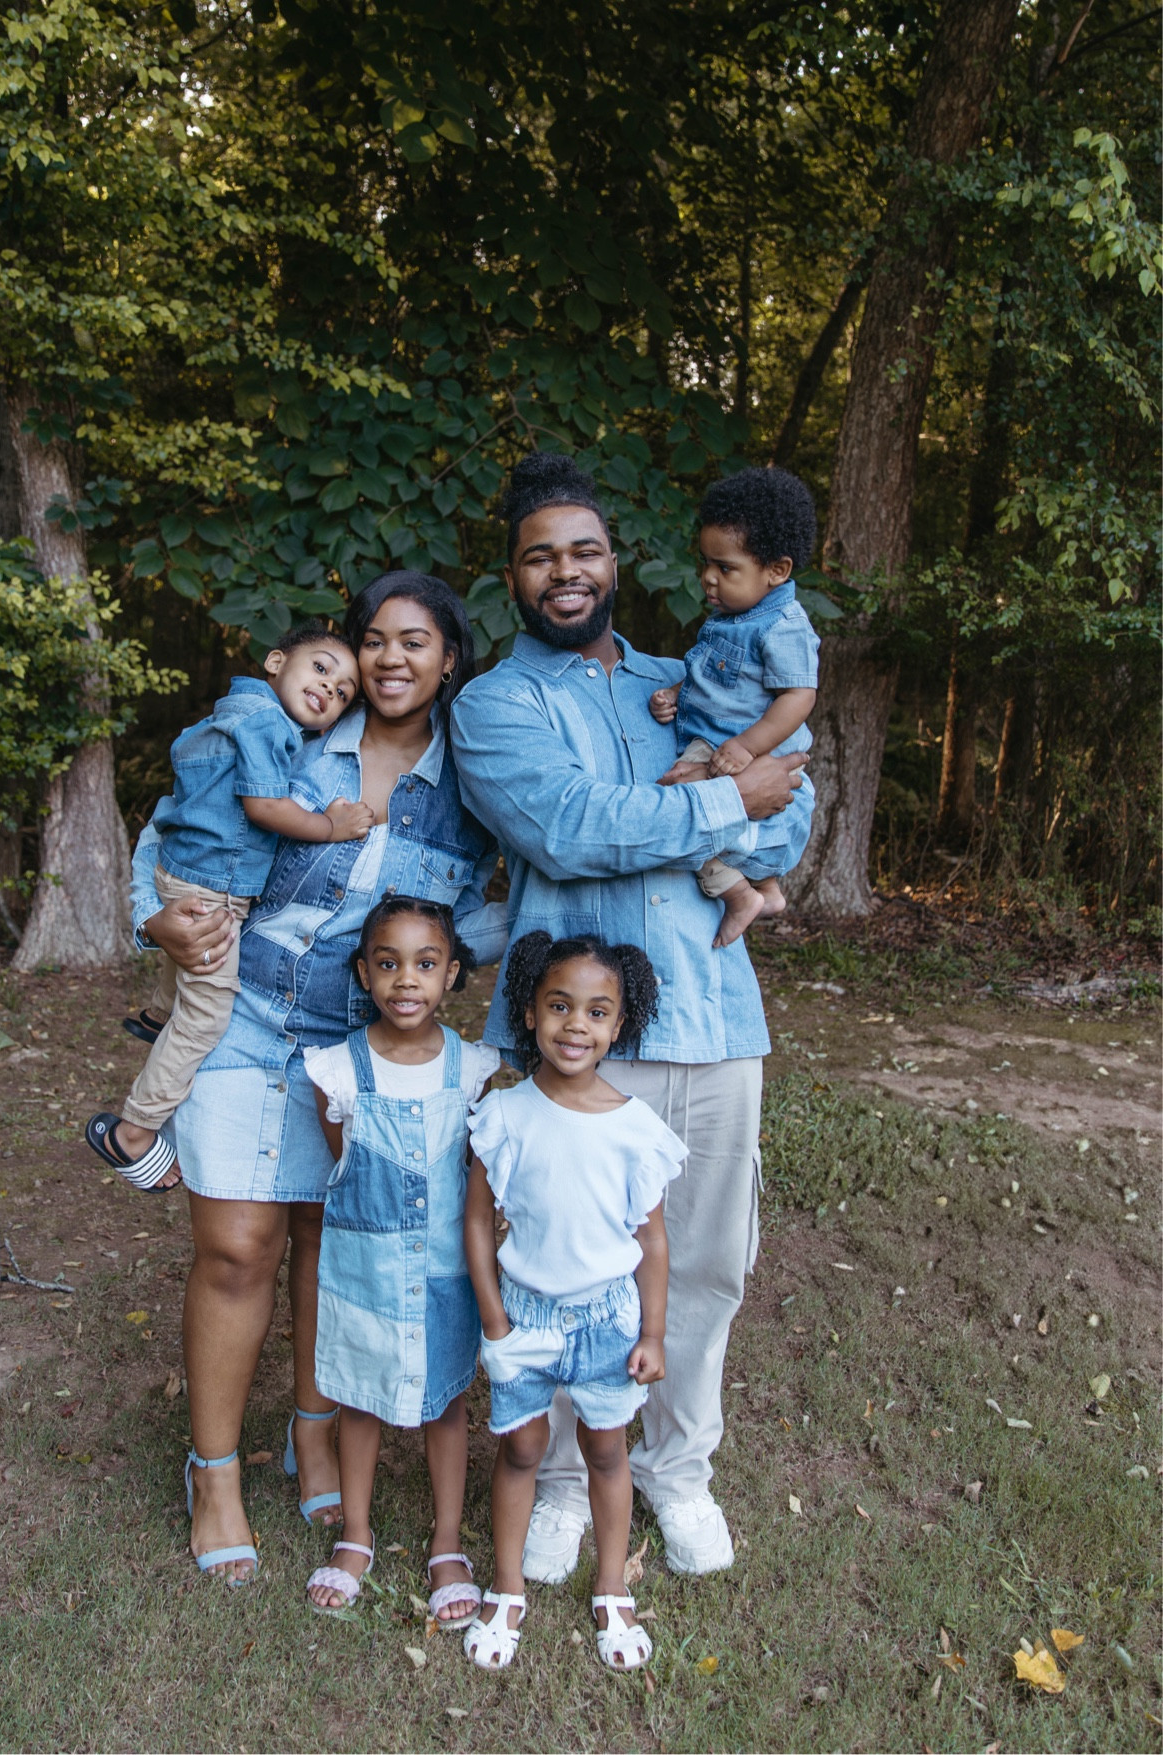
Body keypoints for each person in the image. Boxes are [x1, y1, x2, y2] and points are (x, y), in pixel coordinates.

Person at [449, 451, 807, 1582]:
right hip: (576, 1041)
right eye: (540, 555)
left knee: (706, 1263)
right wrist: (724, 801)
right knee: (562, 1270)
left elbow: (792, 803)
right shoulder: (494, 706)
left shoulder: (685, 680)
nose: (566, 570)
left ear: (614, 562)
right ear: (511, 575)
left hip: (713, 1016)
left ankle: (677, 1469)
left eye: (586, 549)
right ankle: (562, 1480)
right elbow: (568, 830)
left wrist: (745, 815)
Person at [128, 572, 506, 1583]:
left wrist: (472, 962)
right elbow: (171, 826)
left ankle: (313, 1430)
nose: (388, 658)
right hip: (245, 1012)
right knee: (238, 1246)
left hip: (366, 1040)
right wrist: (153, 917)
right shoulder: (290, 729)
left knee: (326, 1243)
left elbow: (508, 892)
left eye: (414, 642)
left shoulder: (473, 775)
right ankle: (213, 1473)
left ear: (450, 661)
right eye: (372, 638)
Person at [464, 932, 684, 1672]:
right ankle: (506, 1587)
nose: (575, 1026)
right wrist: (494, 1318)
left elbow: (652, 1241)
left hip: (607, 1321)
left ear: (619, 1025)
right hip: (523, 1316)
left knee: (606, 1450)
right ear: (530, 1013)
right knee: (521, 1448)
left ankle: (612, 1587)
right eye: (559, 1006)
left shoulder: (635, 1130)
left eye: (597, 1012)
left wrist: (653, 1332)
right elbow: (476, 1222)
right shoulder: (504, 1115)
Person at [86, 623, 371, 1191]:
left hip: (182, 871)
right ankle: (134, 1132)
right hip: (213, 891)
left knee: (187, 975)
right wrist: (330, 826)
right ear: (275, 661)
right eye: (320, 668)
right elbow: (264, 806)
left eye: (343, 692)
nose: (329, 688)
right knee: (207, 1016)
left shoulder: (229, 713)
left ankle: (158, 1013)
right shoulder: (266, 724)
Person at [300, 896, 499, 1620]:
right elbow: (345, 1165)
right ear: (364, 973)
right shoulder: (336, 1071)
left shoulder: (471, 1068)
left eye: (425, 963)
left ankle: (447, 1539)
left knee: (447, 1402)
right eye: (387, 964)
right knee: (361, 1401)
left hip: (445, 1273)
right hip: (366, 1277)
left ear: (451, 974)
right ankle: (355, 1533)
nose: (406, 980)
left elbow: (474, 1179)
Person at [647, 467, 820, 948]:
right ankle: (768, 889)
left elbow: (799, 696)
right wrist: (677, 692)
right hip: (717, 740)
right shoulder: (731, 617)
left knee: (675, 814)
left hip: (738, 748)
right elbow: (715, 675)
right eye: (705, 563)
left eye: (725, 568)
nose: (708, 577)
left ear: (776, 571)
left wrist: (746, 746)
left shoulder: (782, 625)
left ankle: (740, 895)